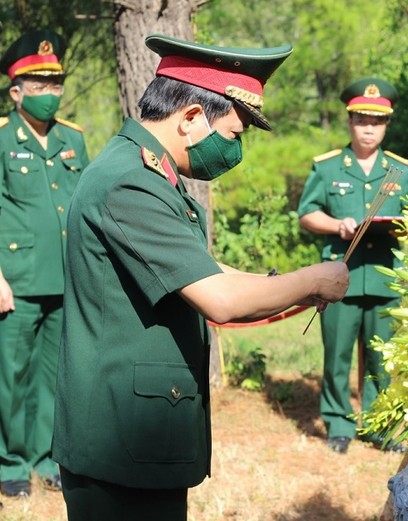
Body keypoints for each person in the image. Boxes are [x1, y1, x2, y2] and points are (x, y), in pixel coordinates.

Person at [51, 34, 349, 521]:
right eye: (233, 135)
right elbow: (220, 299)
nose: (234, 151)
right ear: (190, 117)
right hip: (120, 437)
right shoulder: (130, 182)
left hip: (136, 434)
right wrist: (314, 278)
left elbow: (201, 270)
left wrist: (285, 282)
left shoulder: (148, 174)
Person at [297, 77, 408, 454]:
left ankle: (379, 423)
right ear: (349, 121)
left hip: (384, 275)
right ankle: (338, 424)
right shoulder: (329, 167)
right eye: (362, 119)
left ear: (387, 125)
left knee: (382, 356)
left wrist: (404, 227)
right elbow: (306, 214)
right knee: (337, 354)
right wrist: (338, 225)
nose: (369, 127)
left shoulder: (400, 170)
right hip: (339, 275)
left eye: (377, 121)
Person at [0, 29, 89, 498]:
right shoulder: (0, 139)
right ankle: (10, 462)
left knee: (55, 375)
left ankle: (44, 456)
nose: (49, 95)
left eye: (55, 85)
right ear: (16, 92)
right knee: (11, 377)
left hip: (66, 278)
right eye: (38, 87)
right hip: (15, 280)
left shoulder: (73, 138)